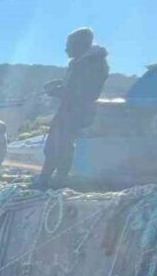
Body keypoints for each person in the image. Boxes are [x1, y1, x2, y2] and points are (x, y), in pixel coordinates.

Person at [33, 27, 110, 189]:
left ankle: (54, 180)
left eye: (69, 45)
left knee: (61, 145)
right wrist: (59, 85)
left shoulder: (92, 63)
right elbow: (76, 87)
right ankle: (50, 179)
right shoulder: (82, 63)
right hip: (70, 109)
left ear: (80, 44)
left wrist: (56, 91)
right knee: (56, 144)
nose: (66, 50)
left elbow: (84, 92)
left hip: (76, 111)